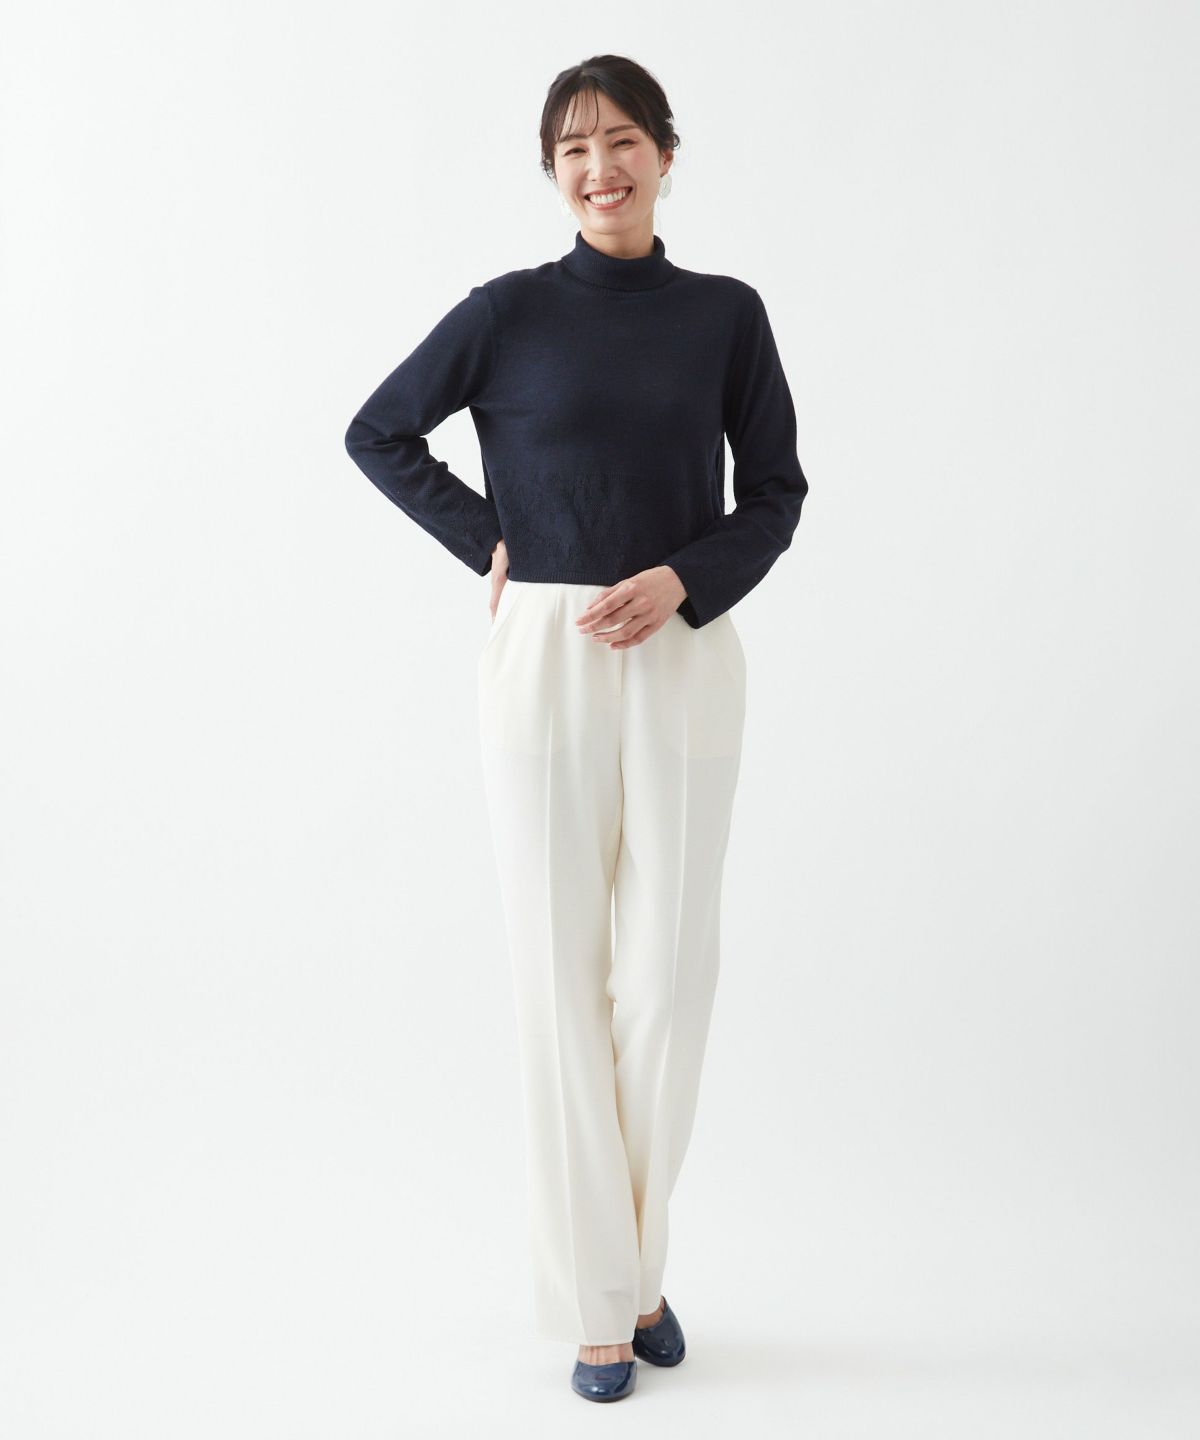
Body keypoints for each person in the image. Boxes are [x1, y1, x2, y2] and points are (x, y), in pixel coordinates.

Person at [344, 53, 809, 1403]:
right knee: (557, 975)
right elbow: (379, 432)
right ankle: (606, 1302)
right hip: (541, 654)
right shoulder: (506, 313)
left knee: (669, 976)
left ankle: (634, 1265)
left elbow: (776, 492)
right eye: (572, 151)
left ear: (666, 151)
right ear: (553, 175)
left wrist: (686, 579)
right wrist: (486, 538)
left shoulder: (726, 315)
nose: (599, 168)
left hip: (683, 651)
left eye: (620, 141)